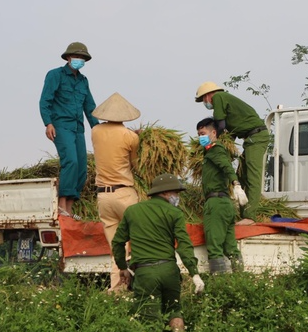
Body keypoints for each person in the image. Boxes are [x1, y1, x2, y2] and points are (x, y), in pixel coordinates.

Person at [112, 173, 205, 332]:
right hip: (169, 271)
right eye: (175, 193)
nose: (177, 197)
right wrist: (194, 273)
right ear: (164, 193)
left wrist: (122, 267)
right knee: (174, 312)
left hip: (145, 273)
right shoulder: (175, 213)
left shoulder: (132, 211)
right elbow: (184, 244)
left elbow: (117, 242)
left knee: (148, 320)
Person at [195, 82, 270, 225]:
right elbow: (229, 134)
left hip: (257, 137)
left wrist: (216, 143)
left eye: (203, 100)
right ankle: (244, 215)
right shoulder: (228, 108)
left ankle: (250, 216)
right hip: (250, 139)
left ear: (207, 95)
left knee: (252, 176)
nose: (205, 103)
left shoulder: (219, 97)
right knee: (241, 175)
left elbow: (220, 125)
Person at [39, 42, 98, 219]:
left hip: (78, 128)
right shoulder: (55, 75)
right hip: (61, 126)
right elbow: (45, 101)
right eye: (77, 57)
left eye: (83, 58)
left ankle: (70, 209)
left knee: (81, 167)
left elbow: (90, 107)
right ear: (68, 57)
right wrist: (48, 123)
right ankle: (61, 204)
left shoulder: (83, 81)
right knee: (70, 161)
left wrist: (98, 129)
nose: (80, 60)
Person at [91, 92, 141, 293]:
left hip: (103, 197)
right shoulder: (130, 137)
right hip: (124, 194)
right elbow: (135, 164)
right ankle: (136, 286)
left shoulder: (95, 131)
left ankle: (116, 287)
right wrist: (136, 137)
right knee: (135, 242)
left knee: (116, 248)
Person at [196, 117, 246, 273]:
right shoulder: (212, 151)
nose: (200, 137)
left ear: (213, 132)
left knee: (214, 246)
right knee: (230, 247)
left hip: (216, 204)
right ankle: (240, 279)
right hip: (226, 205)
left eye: (203, 133)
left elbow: (226, 167)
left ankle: (218, 285)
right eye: (198, 134)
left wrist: (236, 184)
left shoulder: (216, 149)